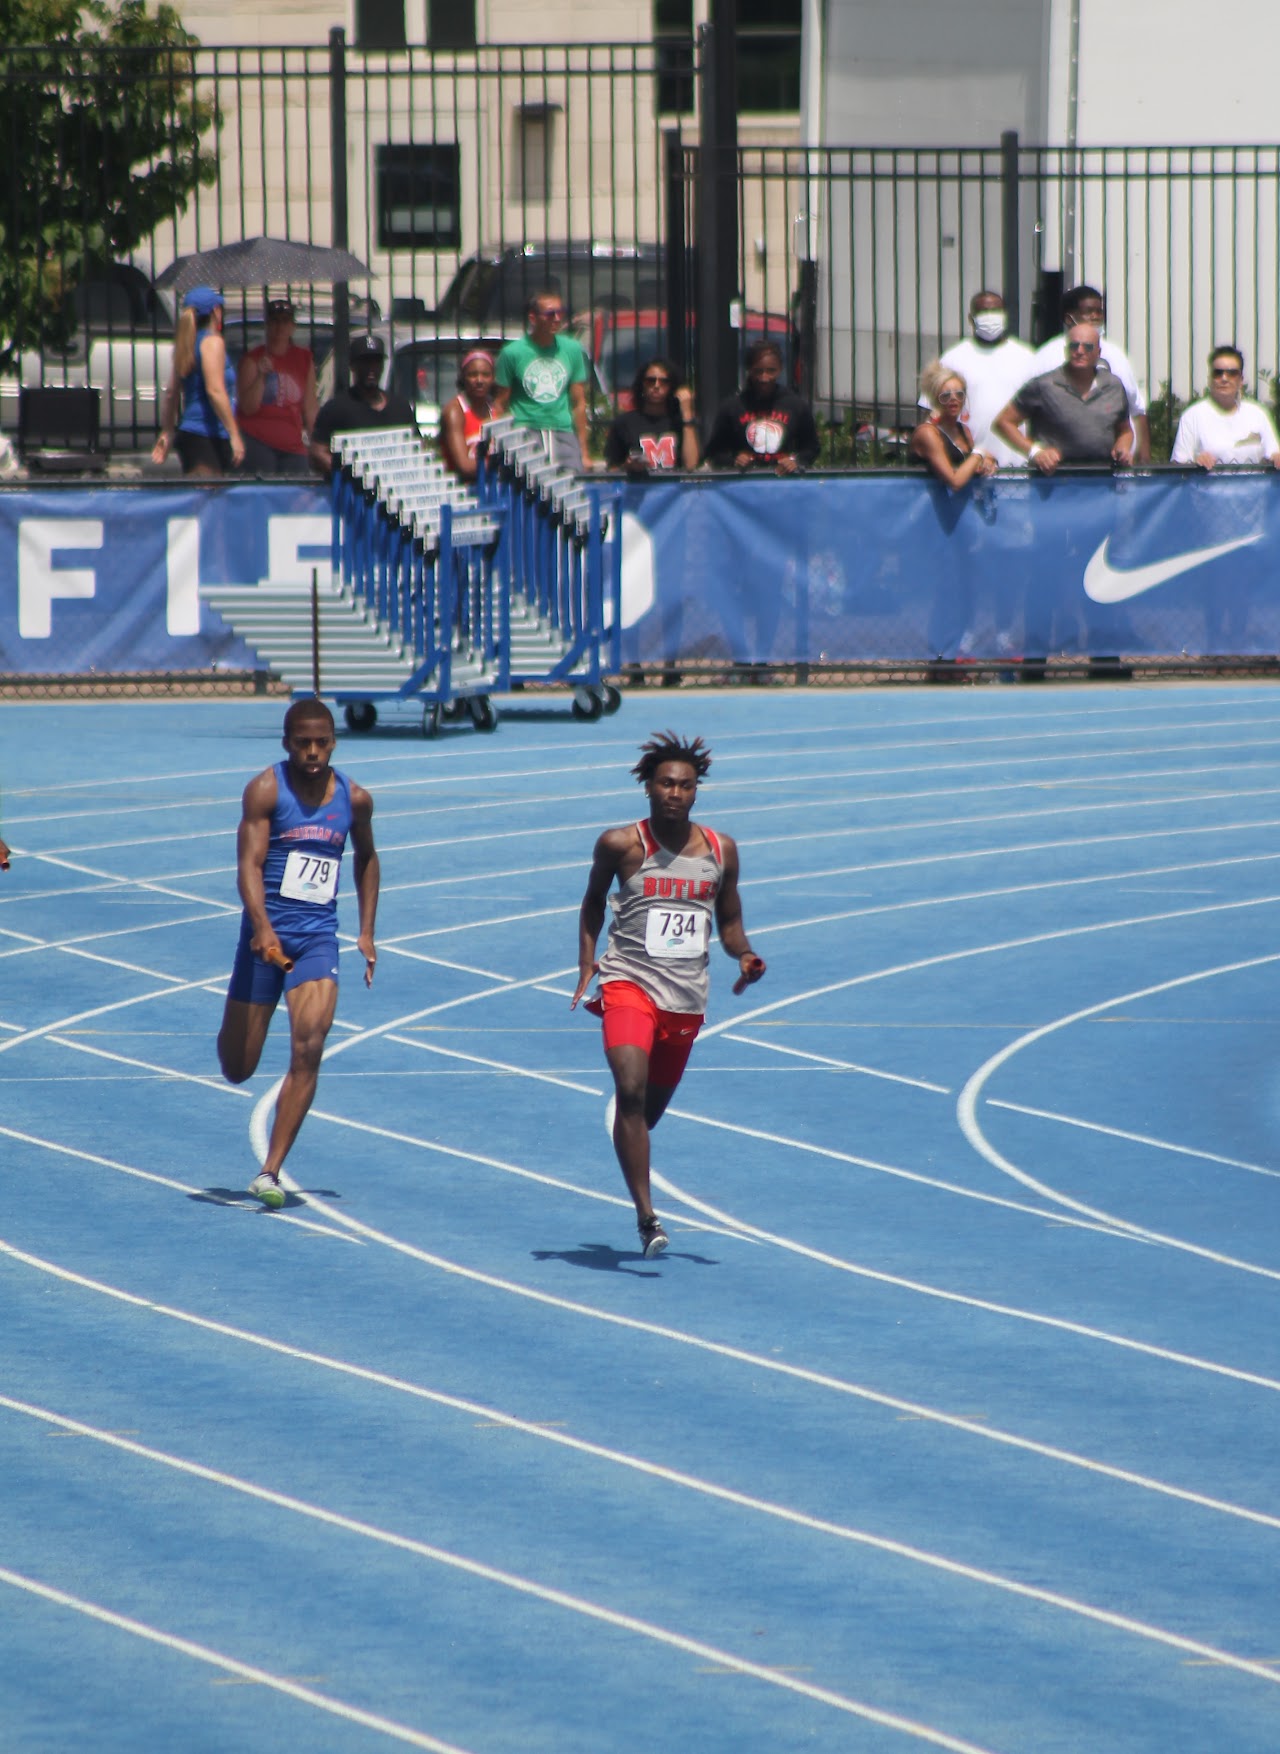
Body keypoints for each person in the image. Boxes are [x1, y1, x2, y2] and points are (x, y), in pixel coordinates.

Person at [571, 731, 765, 1258]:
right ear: (649, 788)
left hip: (684, 1001)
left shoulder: (721, 851)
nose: (674, 793)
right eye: (665, 783)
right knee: (629, 1090)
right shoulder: (621, 844)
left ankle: (630, 1140)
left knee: (644, 1115)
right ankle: (647, 1218)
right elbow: (591, 903)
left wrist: (744, 955)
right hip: (628, 983)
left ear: (697, 791)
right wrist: (589, 962)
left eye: (685, 785)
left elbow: (728, 921)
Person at [217, 698, 379, 1208]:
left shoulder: (354, 799)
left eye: (321, 742)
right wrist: (262, 926)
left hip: (316, 938)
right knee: (238, 1067)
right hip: (264, 940)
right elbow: (249, 864)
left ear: (333, 742)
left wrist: (367, 931)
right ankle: (236, 1017)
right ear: (287, 743)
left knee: (310, 1045)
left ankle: (271, 1170)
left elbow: (369, 859)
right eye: (302, 743)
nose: (312, 752)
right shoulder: (266, 789)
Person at [1029, 284, 1150, 463]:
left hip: (1113, 469)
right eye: (1088, 311)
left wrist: (1144, 455)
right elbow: (1025, 412)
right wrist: (1036, 452)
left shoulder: (1116, 354)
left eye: (1099, 311)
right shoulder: (1047, 356)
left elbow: (1136, 409)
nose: (1096, 316)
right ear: (1069, 318)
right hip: (1059, 470)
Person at [993, 323, 1133, 471]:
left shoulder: (1113, 386)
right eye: (1074, 346)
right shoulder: (1044, 385)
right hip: (1053, 483)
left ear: (1098, 352)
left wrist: (1123, 447)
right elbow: (1003, 422)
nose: (1079, 351)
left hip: (1101, 482)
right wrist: (1035, 452)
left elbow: (1125, 430)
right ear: (1066, 350)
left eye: (1088, 347)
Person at [920, 290, 1036, 466]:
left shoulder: (1026, 357)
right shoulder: (953, 358)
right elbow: (931, 412)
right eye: (983, 312)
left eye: (995, 311)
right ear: (971, 318)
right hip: (970, 467)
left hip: (1017, 464)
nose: (990, 317)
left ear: (1005, 315)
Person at [151, 286, 245, 477]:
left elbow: (171, 393)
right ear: (215, 312)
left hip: (191, 434)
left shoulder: (186, 344)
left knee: (201, 500)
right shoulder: (212, 342)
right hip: (208, 434)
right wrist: (234, 434)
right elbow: (215, 391)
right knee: (208, 500)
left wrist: (167, 431)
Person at [493, 290, 591, 472]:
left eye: (560, 313)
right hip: (526, 428)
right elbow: (501, 402)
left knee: (571, 483)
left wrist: (584, 452)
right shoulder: (512, 353)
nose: (556, 318)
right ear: (533, 317)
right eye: (549, 314)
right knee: (528, 485)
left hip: (562, 429)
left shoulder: (573, 349)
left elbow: (579, 402)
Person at [309, 334, 417, 477]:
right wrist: (349, 476)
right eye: (365, 362)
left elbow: (415, 447)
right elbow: (318, 451)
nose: (371, 368)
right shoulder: (336, 408)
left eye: (376, 362)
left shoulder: (400, 407)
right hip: (354, 494)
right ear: (353, 366)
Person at [704, 340, 820, 474]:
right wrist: (734, 460)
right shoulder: (732, 407)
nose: (764, 378)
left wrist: (795, 460)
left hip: (782, 481)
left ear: (780, 369)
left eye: (771, 371)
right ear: (749, 370)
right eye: (758, 371)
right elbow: (714, 451)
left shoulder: (795, 405)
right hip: (745, 482)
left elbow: (811, 447)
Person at [235, 297, 318, 475]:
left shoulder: (304, 359)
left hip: (292, 443)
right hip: (259, 439)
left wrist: (316, 442)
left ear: (292, 326)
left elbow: (310, 407)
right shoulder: (252, 360)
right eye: (274, 321)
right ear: (267, 325)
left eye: (285, 321)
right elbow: (248, 408)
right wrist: (261, 376)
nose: (279, 327)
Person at [1171, 345, 1280, 469]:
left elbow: (1274, 453)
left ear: (1241, 380)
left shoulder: (1258, 414)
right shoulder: (1192, 417)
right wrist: (1196, 462)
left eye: (1232, 373)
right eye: (1218, 373)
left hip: (1253, 488)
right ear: (1209, 379)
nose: (1224, 378)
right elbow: (1178, 466)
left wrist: (1276, 458)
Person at [909, 361, 998, 490]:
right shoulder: (927, 433)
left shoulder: (963, 430)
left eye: (959, 394)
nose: (953, 399)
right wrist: (980, 453)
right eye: (945, 396)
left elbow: (972, 462)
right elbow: (955, 481)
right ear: (935, 399)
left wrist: (987, 461)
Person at [603, 356, 699, 474]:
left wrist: (687, 413)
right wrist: (628, 466)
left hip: (674, 490)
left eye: (664, 381)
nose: (656, 386)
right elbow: (612, 469)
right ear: (642, 384)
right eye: (650, 381)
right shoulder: (624, 423)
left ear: (672, 386)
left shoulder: (682, 423)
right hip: (639, 490)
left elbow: (691, 465)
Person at [439, 349, 496, 480]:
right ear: (463, 377)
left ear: (493, 378)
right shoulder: (455, 412)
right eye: (473, 375)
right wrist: (501, 466)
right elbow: (464, 465)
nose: (479, 380)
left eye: (486, 375)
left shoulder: (495, 411)